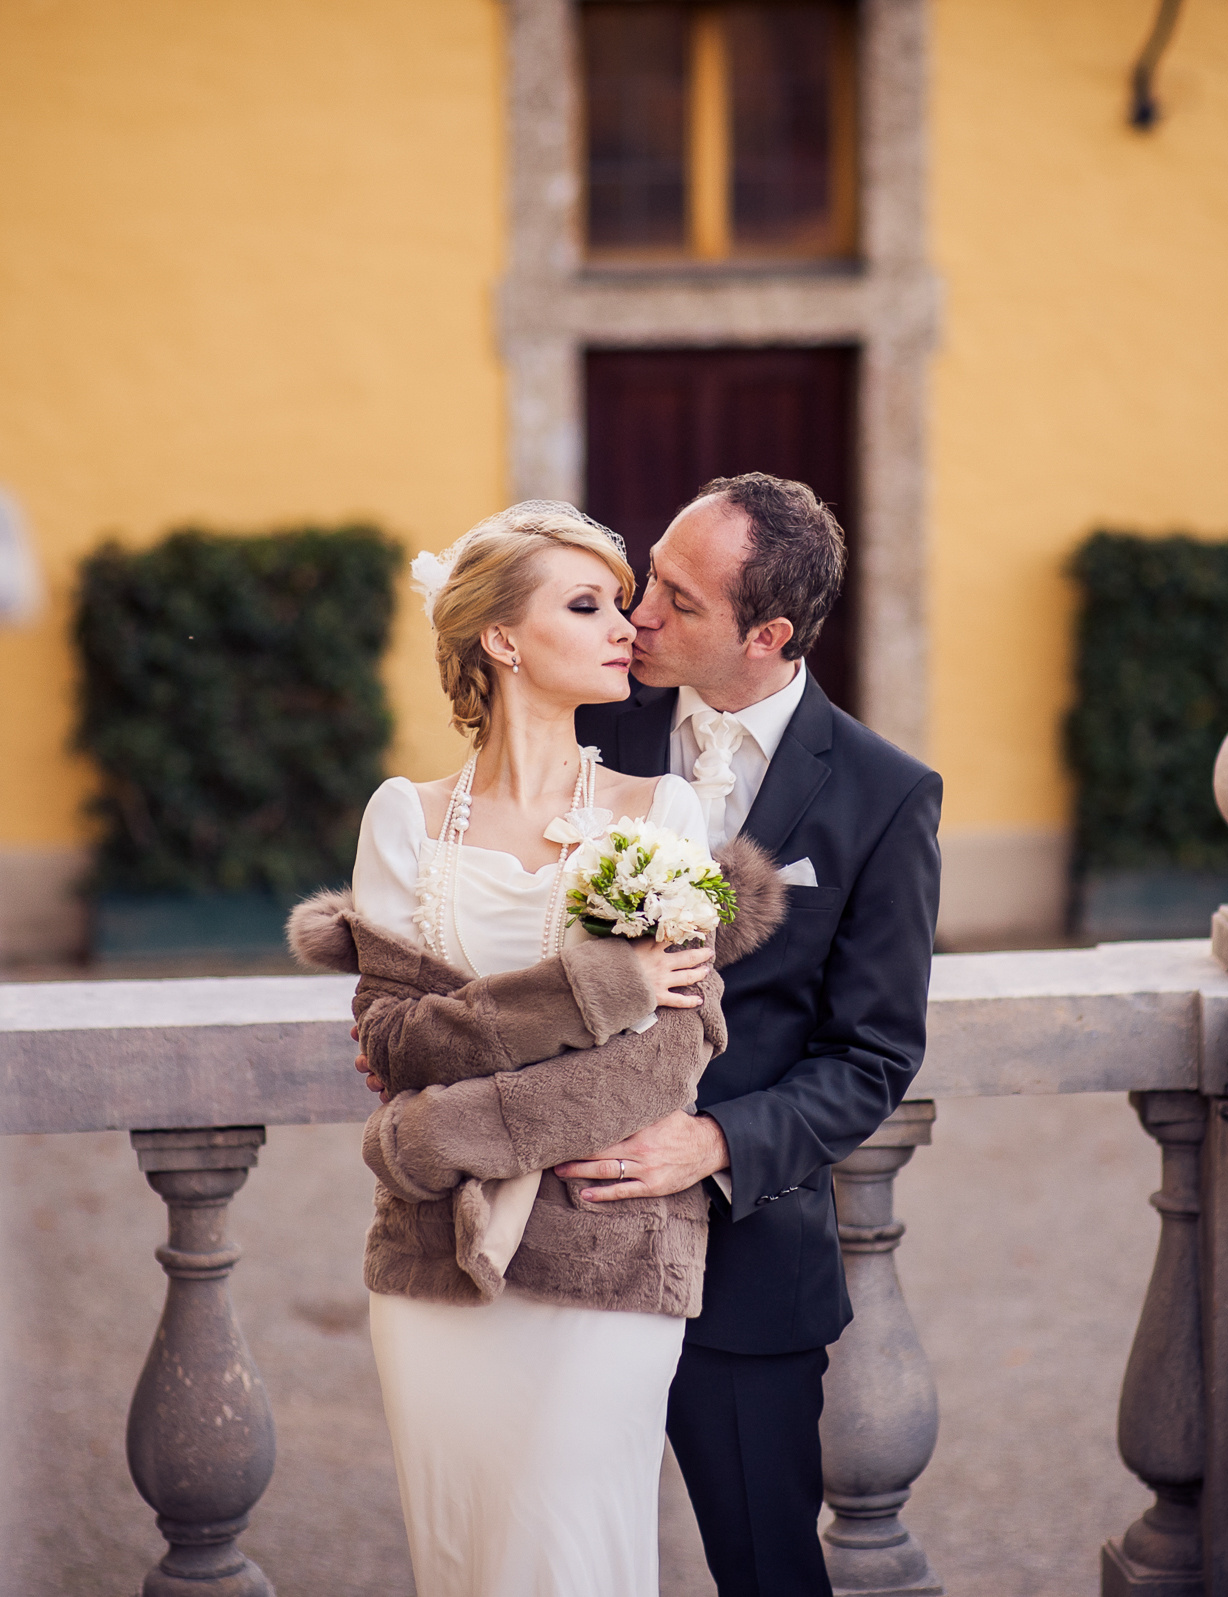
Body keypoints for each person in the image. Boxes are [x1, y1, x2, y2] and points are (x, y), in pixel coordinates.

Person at [290, 500, 789, 1597]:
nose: (627, 625)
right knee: (462, 1557)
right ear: (502, 639)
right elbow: (392, 1039)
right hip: (435, 1258)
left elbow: (663, 1060)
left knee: (570, 1554)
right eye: (588, 604)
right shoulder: (403, 821)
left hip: (606, 1246)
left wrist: (438, 1129)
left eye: (621, 601)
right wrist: (597, 985)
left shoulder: (661, 814)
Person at [565, 473, 942, 1597]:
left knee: (769, 1573)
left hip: (748, 1267)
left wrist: (713, 1143)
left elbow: (875, 1053)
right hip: (566, 1239)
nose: (637, 615)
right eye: (645, 580)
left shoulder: (884, 793)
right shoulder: (584, 724)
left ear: (767, 634)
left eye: (676, 600)